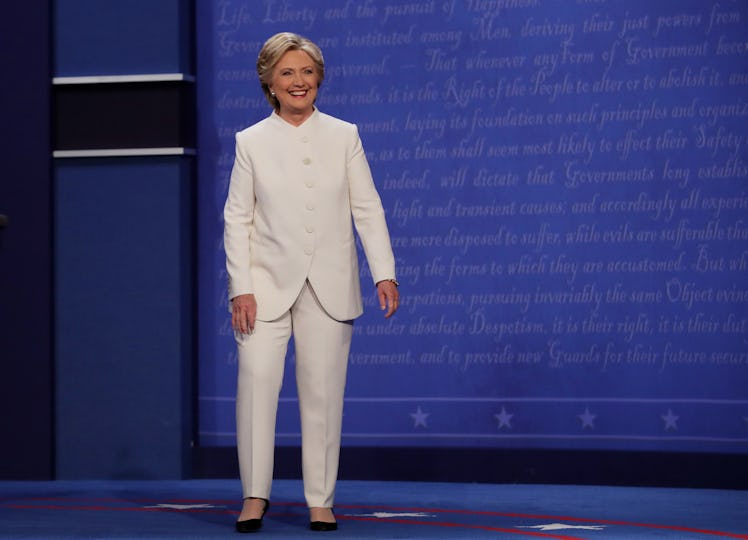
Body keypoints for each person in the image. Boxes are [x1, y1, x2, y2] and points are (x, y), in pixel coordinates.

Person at [223, 32, 399, 533]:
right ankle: (255, 496)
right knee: (256, 388)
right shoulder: (250, 142)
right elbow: (237, 219)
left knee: (323, 394)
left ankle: (320, 499)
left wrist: (383, 272)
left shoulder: (345, 135)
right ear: (270, 83)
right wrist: (241, 286)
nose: (298, 81)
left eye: (306, 72)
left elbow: (367, 208)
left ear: (319, 78)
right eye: (287, 73)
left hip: (330, 285)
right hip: (263, 288)